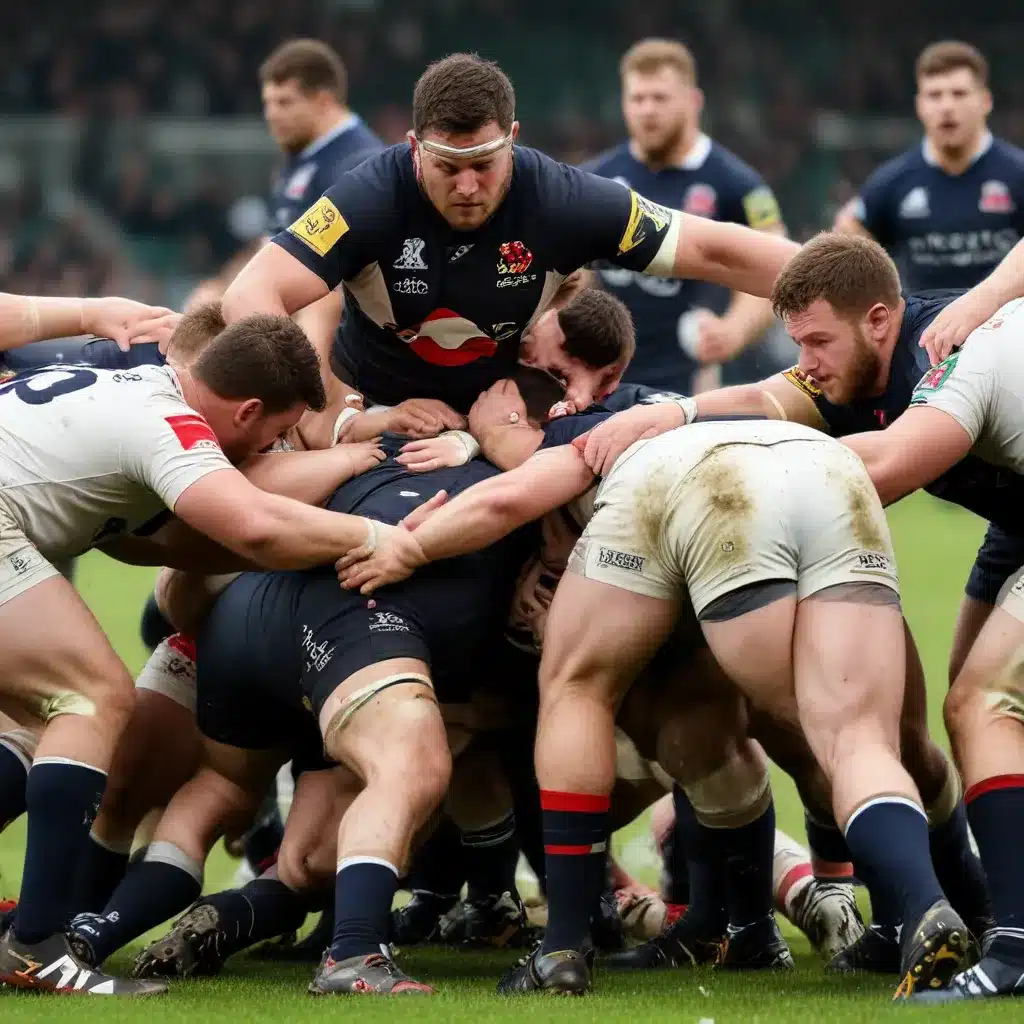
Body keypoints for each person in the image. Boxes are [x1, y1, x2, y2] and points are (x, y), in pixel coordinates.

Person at [337, 415, 974, 1000]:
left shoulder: (579, 439)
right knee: (853, 735)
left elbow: (505, 499)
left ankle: (562, 947)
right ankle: (922, 908)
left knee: (577, 686)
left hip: (694, 485)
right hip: (827, 469)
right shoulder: (666, 405)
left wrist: (410, 547)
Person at [0, 313, 421, 996]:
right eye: (274, 434)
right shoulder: (172, 424)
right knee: (94, 696)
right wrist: (371, 537)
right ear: (248, 409)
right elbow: (253, 526)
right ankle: (38, 948)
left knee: (34, 725)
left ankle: (36, 939)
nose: (270, 448)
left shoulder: (132, 388)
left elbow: (163, 545)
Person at [221, 52, 799, 442]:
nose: (468, 187)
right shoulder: (369, 195)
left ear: (513, 141)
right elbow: (252, 294)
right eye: (448, 167)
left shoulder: (563, 198)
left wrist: (854, 295)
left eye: (486, 165)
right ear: (414, 147)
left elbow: (719, 252)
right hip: (379, 419)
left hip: (510, 419)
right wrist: (332, 412)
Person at [834, 296, 1024, 1003]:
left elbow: (885, 466)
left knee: (985, 703)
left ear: (880, 320)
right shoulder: (972, 328)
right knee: (971, 708)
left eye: (819, 342)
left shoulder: (953, 364)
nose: (807, 366)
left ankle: (1013, 950)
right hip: (1014, 521)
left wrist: (744, 464)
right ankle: (1001, 913)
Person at [584, 38, 786, 393]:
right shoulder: (594, 179)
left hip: (694, 385)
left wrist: (733, 331)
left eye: (660, 98)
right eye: (637, 99)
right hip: (604, 379)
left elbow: (781, 268)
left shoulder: (739, 184)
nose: (647, 110)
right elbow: (571, 272)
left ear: (693, 102)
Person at [835, 41, 1024, 293]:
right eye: (935, 95)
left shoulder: (1018, 174)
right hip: (924, 329)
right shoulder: (892, 182)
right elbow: (849, 241)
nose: (946, 107)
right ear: (919, 105)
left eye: (959, 94)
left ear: (985, 101)